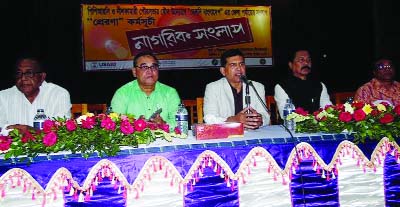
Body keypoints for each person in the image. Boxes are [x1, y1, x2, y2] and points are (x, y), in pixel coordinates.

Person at [0, 57, 71, 133]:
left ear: (42, 77)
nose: (23, 78)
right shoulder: (3, 96)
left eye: (29, 73)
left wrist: (31, 132)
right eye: (19, 73)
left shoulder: (59, 94)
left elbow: (61, 131)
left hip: (49, 145)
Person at [111, 51, 180, 128]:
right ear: (134, 72)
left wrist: (163, 124)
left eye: (153, 67)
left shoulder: (170, 93)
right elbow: (114, 123)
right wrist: (135, 125)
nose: (150, 71)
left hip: (164, 139)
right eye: (144, 67)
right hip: (133, 139)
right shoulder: (122, 93)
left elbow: (179, 123)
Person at [203, 49, 269, 129]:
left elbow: (266, 116)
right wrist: (234, 120)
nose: (239, 68)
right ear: (223, 71)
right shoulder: (213, 88)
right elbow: (209, 118)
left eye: (241, 64)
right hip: (226, 134)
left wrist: (259, 119)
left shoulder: (256, 87)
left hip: (252, 133)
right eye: (233, 65)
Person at [274, 49, 332, 118]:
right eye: (301, 60)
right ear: (291, 65)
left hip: (319, 126)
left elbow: (328, 108)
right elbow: (287, 116)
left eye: (308, 60)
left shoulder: (319, 85)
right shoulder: (281, 86)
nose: (306, 63)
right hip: (294, 127)